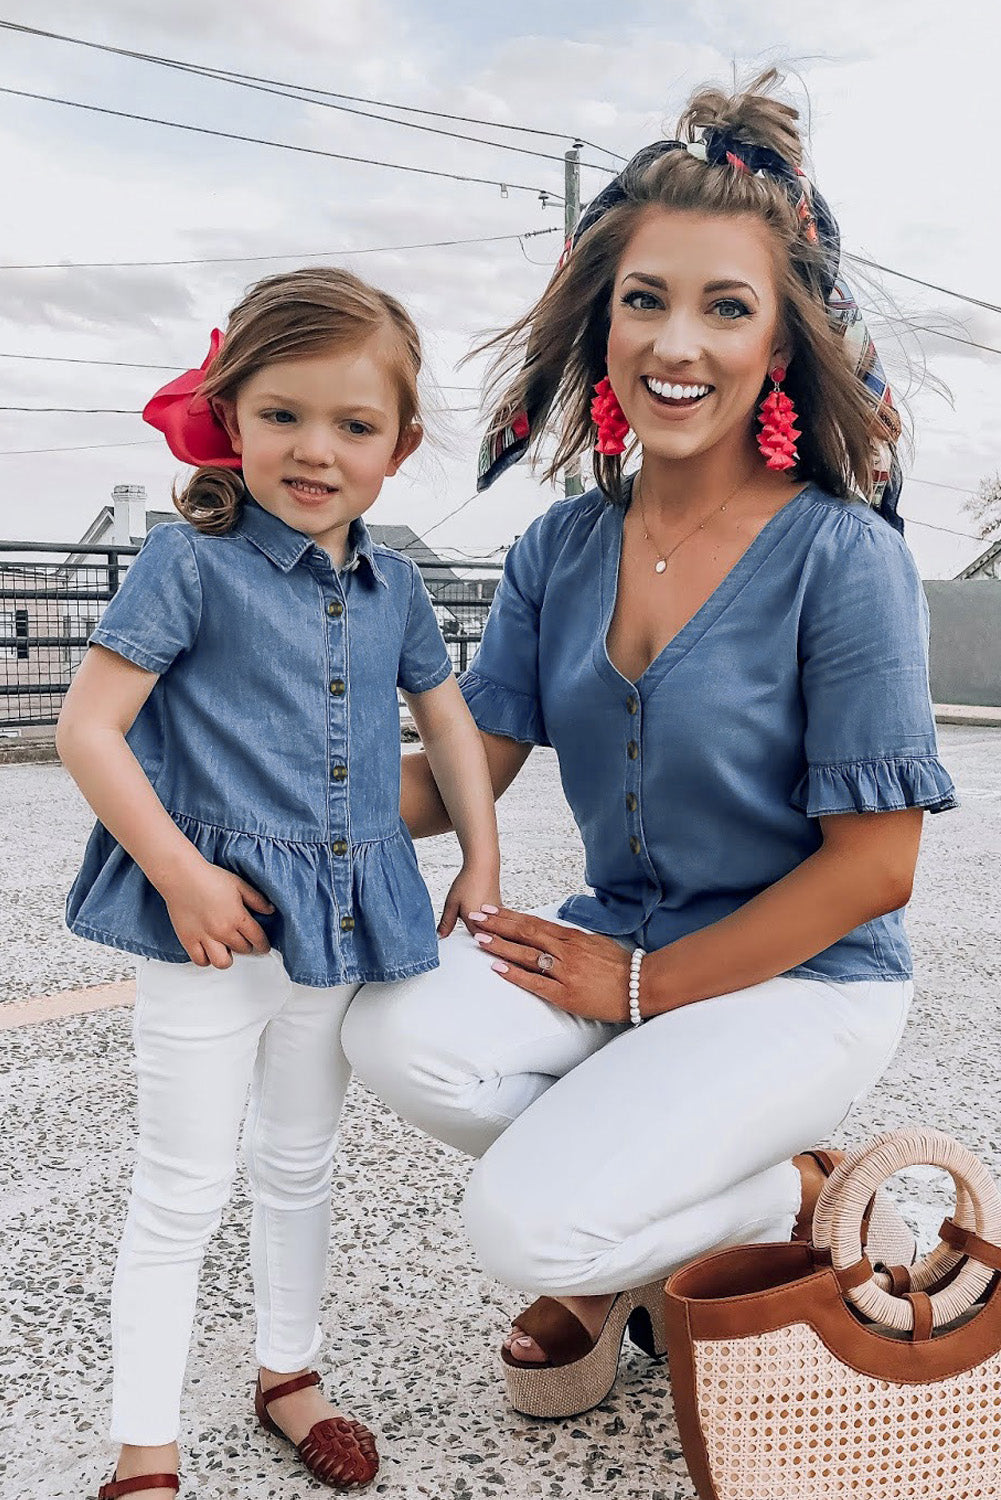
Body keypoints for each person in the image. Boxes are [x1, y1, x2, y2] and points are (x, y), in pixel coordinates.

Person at [341, 71, 957, 1423]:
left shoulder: (843, 560)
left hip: (803, 983)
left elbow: (875, 870)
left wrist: (643, 988)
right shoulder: (560, 550)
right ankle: (687, 1207)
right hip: (619, 951)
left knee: (522, 1227)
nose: (677, 344)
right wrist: (252, 800)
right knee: (392, 1031)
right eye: (644, 300)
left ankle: (785, 1198)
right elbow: (461, 774)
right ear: (601, 321)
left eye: (725, 307)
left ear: (783, 341)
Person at [57, 267, 501, 1498]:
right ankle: (144, 1447)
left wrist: (481, 856)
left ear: (398, 446)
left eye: (354, 426)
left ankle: (288, 1373)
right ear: (232, 414)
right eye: (284, 416)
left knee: (300, 1159)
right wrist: (183, 875)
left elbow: (449, 726)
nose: (316, 451)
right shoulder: (187, 565)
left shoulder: (396, 588)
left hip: (340, 920)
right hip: (212, 925)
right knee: (181, 1183)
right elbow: (91, 729)